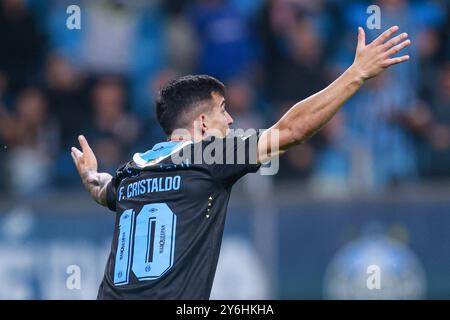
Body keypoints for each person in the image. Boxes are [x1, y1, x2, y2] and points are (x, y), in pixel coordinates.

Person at [71, 26, 410, 299]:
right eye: (222, 111)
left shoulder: (133, 169)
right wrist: (357, 74)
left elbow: (105, 191)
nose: (231, 120)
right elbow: (292, 130)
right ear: (202, 124)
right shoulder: (208, 155)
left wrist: (91, 178)